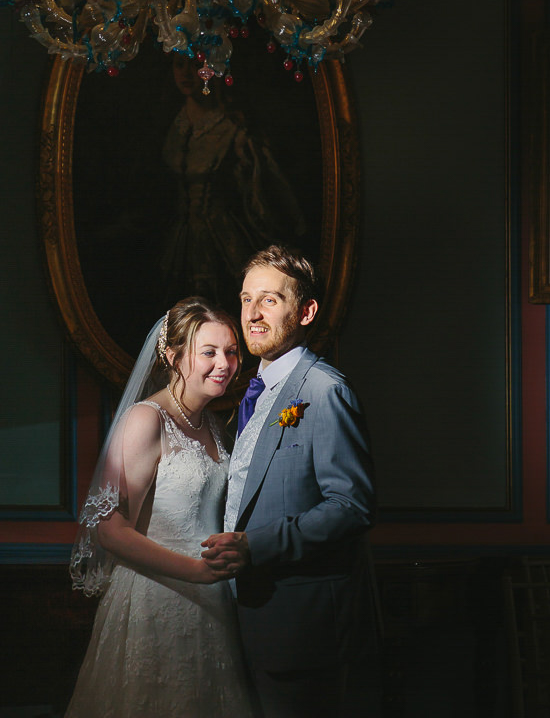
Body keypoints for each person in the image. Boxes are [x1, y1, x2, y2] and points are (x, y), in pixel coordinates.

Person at [201, 245, 380, 717]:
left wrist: (254, 546)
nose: (252, 315)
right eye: (245, 299)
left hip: (299, 627)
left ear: (306, 311)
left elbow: (351, 507)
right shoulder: (254, 392)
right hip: (243, 616)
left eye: (270, 300)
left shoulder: (324, 390)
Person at [64, 297, 259, 718]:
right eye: (208, 352)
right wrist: (197, 571)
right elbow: (110, 529)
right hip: (157, 599)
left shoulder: (208, 422)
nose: (224, 363)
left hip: (212, 604)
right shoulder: (146, 418)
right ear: (173, 356)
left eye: (230, 351)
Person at [159, 54, 306, 307]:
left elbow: (263, 195)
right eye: (179, 65)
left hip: (223, 240)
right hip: (178, 242)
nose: (186, 74)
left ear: (212, 70)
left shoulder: (235, 130)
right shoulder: (172, 125)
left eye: (196, 65)